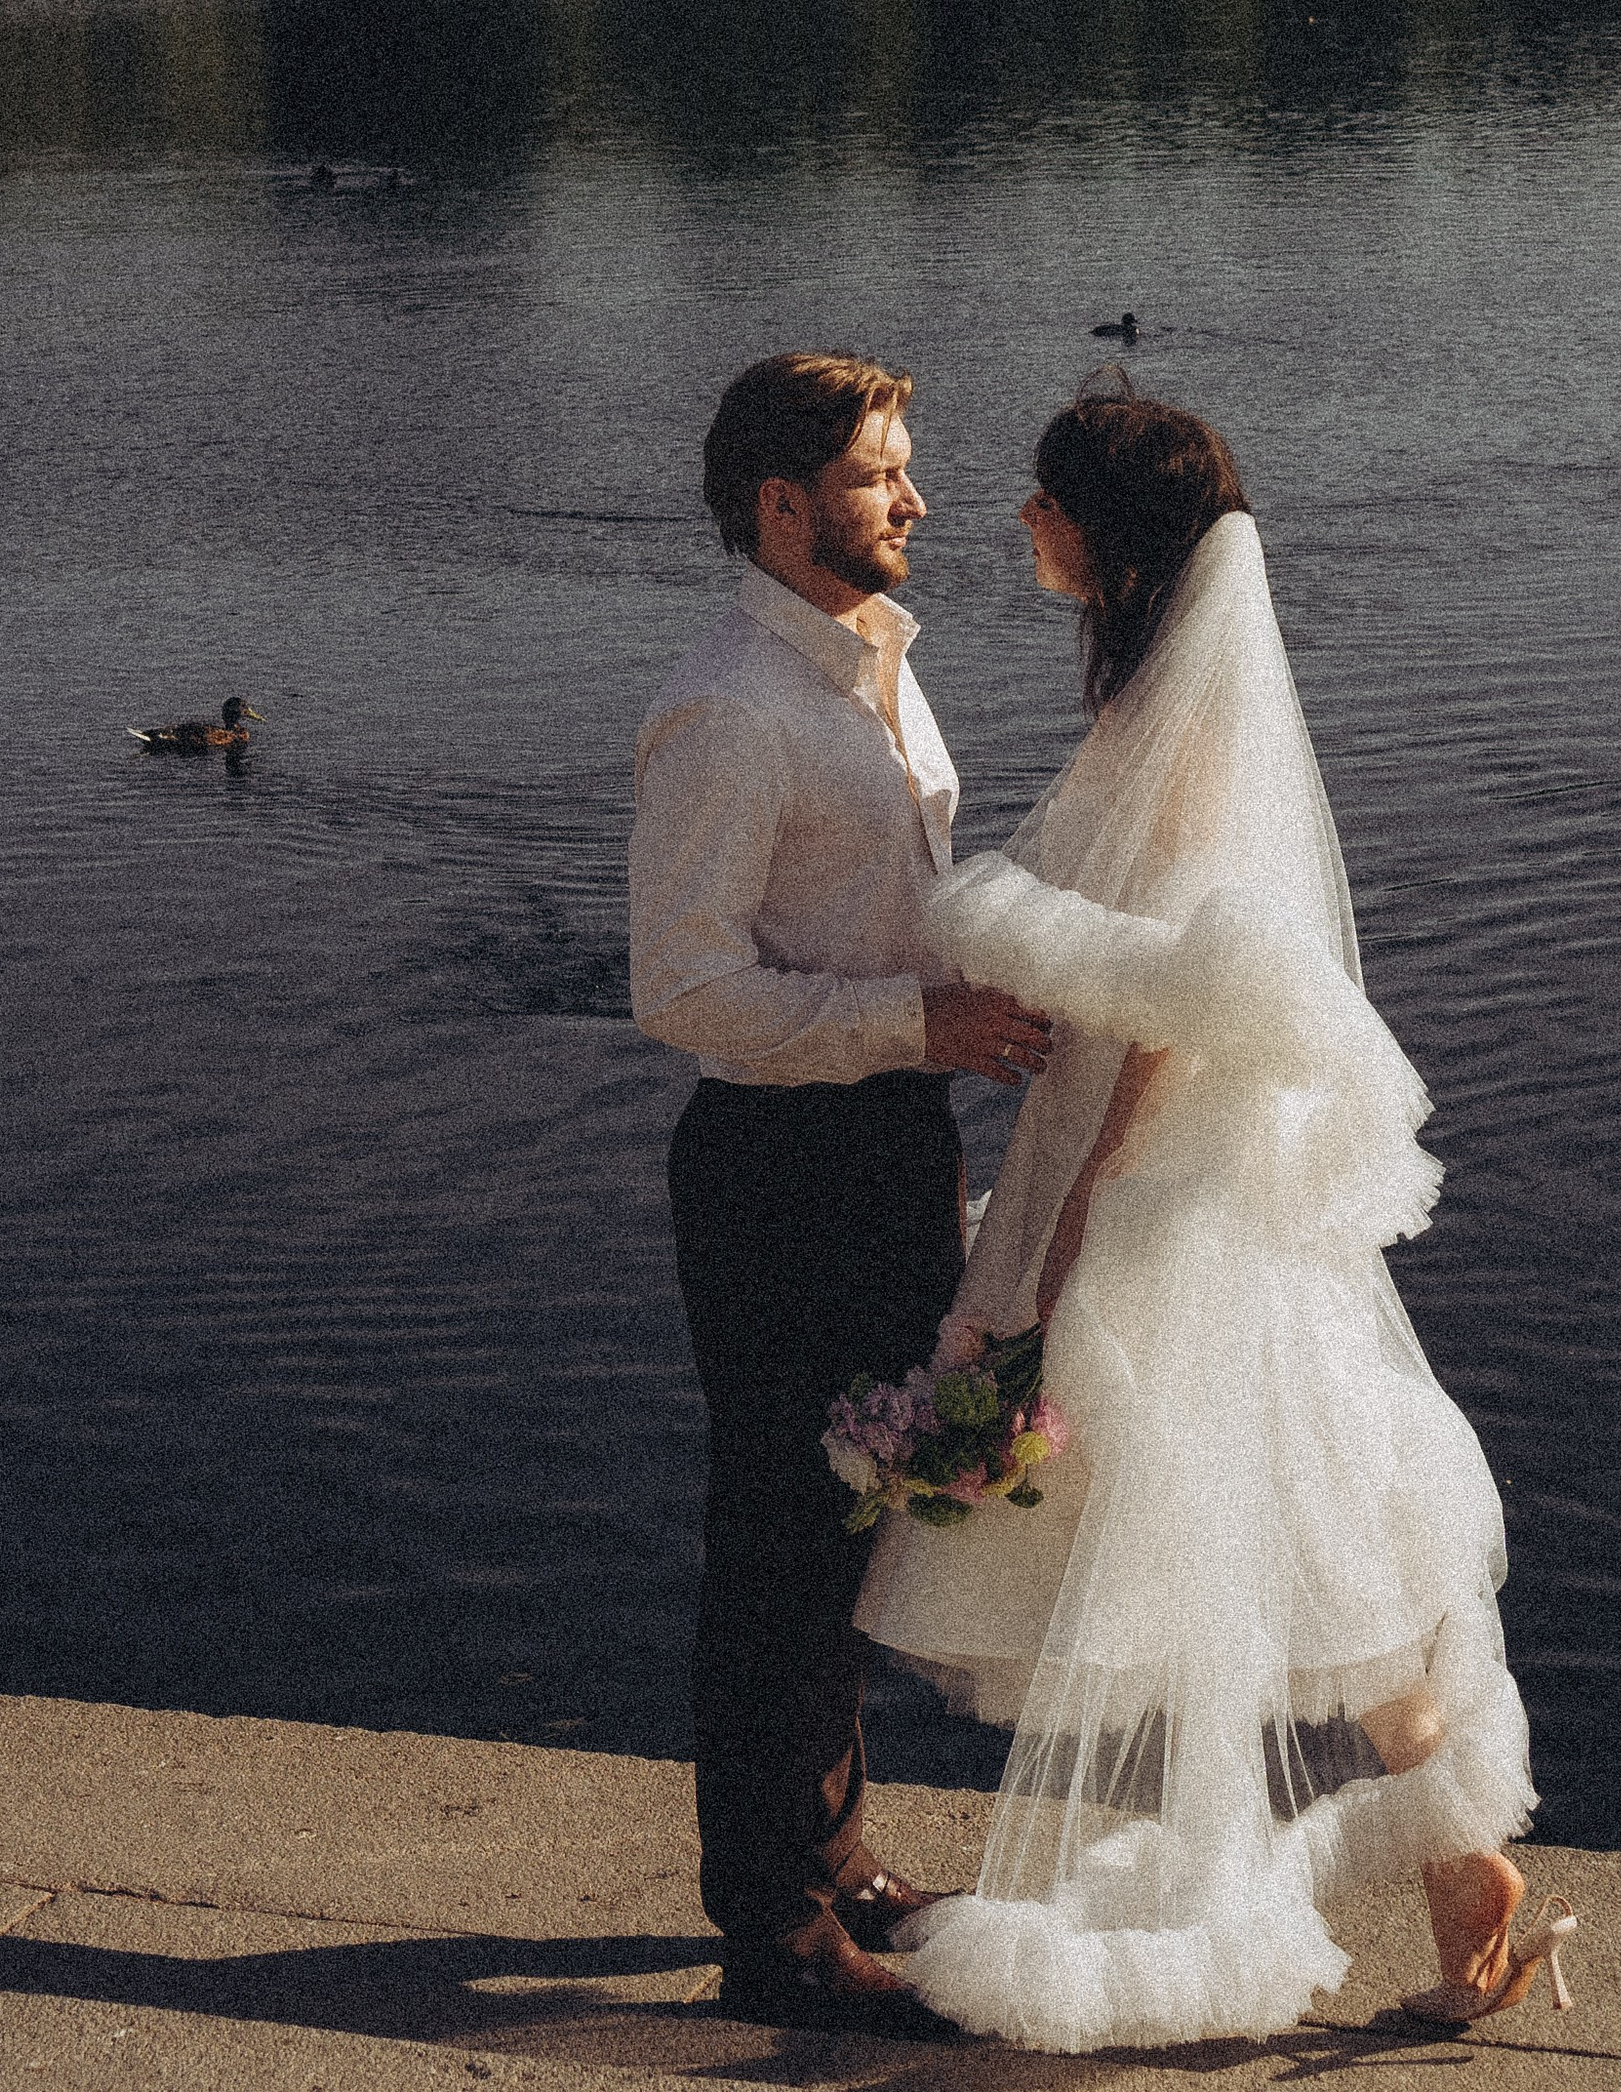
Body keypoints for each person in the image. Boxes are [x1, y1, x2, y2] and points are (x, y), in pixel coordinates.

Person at [861, 379, 1575, 2049]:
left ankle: (1216, 1931)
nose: (1021, 521)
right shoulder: (1173, 700)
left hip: (1163, 1195)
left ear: (1110, 532)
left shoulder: (1182, 726)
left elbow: (1190, 1002)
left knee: (1205, 1561)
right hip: (1180, 1188)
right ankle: (1462, 1889)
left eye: (1046, 499)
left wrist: (1075, 1223)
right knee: (1283, 1550)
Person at [630, 351, 1055, 2034]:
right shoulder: (730, 710)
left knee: (859, 1520)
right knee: (780, 1541)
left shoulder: (874, 662)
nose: (917, 500)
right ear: (781, 503)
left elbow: (892, 903)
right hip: (779, 1167)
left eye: (906, 468)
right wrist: (917, 1020)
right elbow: (681, 992)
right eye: (883, 475)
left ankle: (839, 1856)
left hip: (889, 1137)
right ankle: (775, 1931)